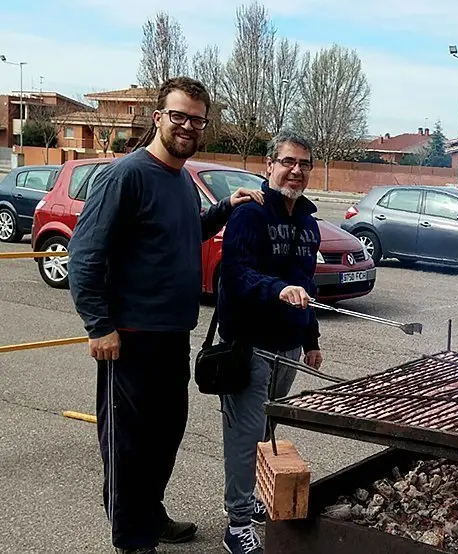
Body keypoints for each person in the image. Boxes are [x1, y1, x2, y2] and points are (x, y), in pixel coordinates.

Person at [68, 77, 260, 554]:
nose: (187, 126)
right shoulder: (126, 175)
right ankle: (133, 539)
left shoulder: (178, 181)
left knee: (164, 436)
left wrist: (222, 210)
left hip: (172, 334)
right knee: (128, 445)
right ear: (158, 118)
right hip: (129, 337)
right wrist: (99, 326)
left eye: (196, 119)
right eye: (178, 116)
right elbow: (84, 255)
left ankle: (148, 515)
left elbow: (178, 234)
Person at [217, 130, 323, 554]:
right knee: (244, 436)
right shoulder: (250, 215)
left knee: (265, 431)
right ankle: (237, 522)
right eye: (287, 162)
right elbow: (234, 273)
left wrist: (311, 338)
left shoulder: (308, 222)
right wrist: (275, 289)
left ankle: (251, 501)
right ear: (269, 166)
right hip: (249, 345)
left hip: (288, 346)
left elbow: (307, 284)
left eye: (304, 164)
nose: (295, 171)